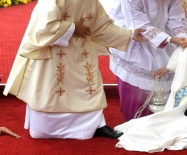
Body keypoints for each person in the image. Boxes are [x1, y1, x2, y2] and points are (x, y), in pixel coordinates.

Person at [3, 0, 146, 139]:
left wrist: (130, 34)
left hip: (82, 54)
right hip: (54, 56)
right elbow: (42, 27)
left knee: (89, 88)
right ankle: (48, 130)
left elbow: (101, 27)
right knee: (51, 93)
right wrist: (72, 28)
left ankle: (95, 126)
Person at [109, 0, 187, 121]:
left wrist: (181, 37)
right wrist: (171, 40)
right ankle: (135, 122)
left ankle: (160, 122)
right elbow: (141, 27)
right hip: (136, 40)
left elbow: (177, 18)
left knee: (167, 70)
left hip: (165, 38)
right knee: (137, 87)